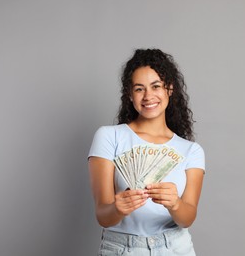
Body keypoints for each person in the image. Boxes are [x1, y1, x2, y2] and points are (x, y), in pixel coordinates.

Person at [88, 48, 205, 255]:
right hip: (123, 248)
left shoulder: (191, 150)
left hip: (176, 248)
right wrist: (118, 208)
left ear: (169, 89)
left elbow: (187, 218)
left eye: (156, 86)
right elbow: (103, 216)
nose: (148, 96)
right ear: (130, 95)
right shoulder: (109, 137)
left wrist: (175, 204)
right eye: (139, 89)